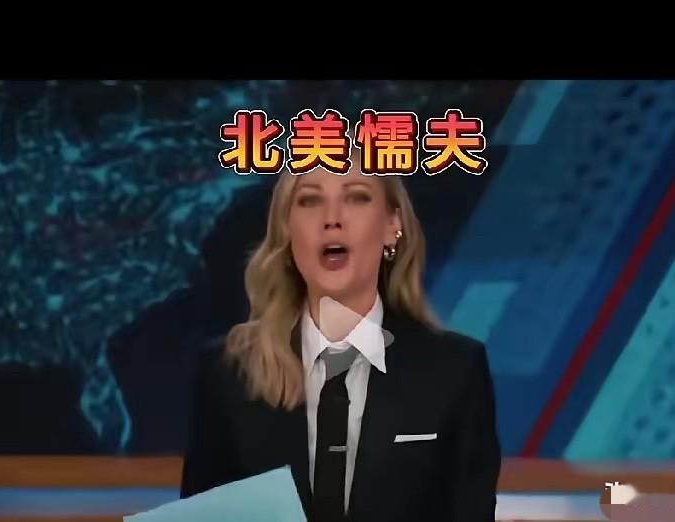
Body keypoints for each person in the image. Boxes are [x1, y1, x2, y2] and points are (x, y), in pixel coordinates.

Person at [180, 152, 501, 522]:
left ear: (392, 226)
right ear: (287, 230)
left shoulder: (454, 371)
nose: (332, 219)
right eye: (310, 200)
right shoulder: (230, 373)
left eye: (356, 197)